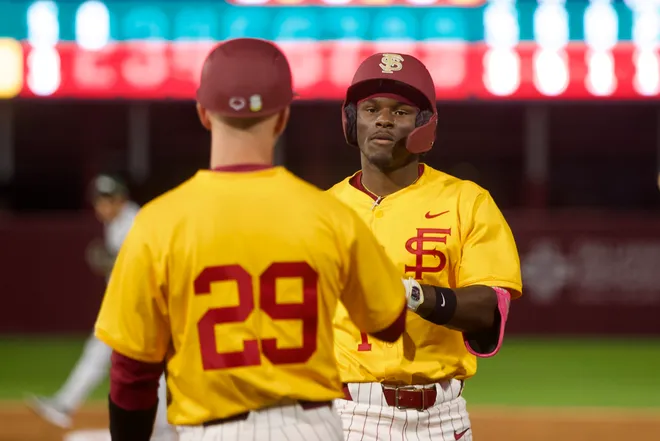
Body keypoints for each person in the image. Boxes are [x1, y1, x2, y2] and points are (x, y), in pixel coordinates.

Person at [93, 38, 408, 441]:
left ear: (204, 113)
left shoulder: (157, 222)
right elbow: (388, 324)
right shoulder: (331, 215)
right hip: (309, 428)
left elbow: (132, 376)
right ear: (282, 117)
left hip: (211, 431)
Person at [328, 52, 523, 441]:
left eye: (401, 111)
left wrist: (409, 294)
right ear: (352, 120)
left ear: (424, 125)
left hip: (443, 416)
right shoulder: (320, 211)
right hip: (347, 412)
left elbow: (488, 308)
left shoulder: (466, 201)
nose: (383, 119)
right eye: (370, 109)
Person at [26, 174, 175, 440]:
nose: (102, 206)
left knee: (150, 366)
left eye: (108, 200)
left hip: (141, 308)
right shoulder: (116, 222)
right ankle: (65, 404)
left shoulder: (133, 220)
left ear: (121, 198)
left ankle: (163, 429)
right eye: (99, 201)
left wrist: (112, 261)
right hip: (126, 306)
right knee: (100, 352)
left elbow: (141, 263)